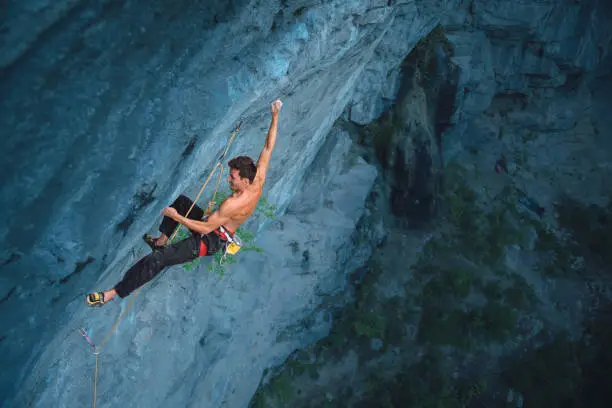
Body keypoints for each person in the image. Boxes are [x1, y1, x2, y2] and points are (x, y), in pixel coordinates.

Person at [86, 98, 283, 306]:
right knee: (180, 201)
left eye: (232, 177)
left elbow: (205, 228)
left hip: (210, 241)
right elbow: (268, 147)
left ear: (244, 180)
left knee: (158, 260)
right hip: (213, 224)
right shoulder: (257, 179)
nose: (228, 179)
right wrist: (275, 116)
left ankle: (110, 294)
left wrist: (176, 217)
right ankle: (161, 240)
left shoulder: (232, 204)